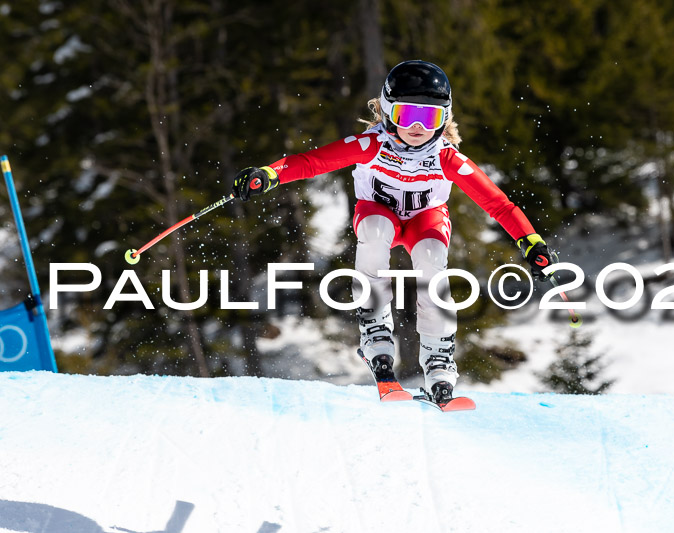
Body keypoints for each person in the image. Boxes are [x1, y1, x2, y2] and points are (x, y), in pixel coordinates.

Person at [232, 60, 555, 403]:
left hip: (423, 221)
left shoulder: (446, 157)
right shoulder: (371, 144)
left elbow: (499, 204)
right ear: (388, 112)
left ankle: (439, 362)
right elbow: (311, 162)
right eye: (406, 115)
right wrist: (269, 173)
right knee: (375, 228)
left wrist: (529, 240)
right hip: (378, 213)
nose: (417, 126)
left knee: (432, 260)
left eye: (429, 118)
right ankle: (375, 332)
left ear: (443, 119)